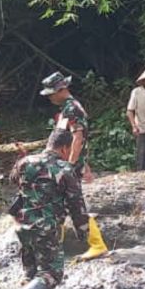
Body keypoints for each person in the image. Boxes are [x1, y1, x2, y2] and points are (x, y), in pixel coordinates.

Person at [6, 129, 90, 289]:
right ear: (64, 147)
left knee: (33, 272)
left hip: (23, 225)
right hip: (46, 226)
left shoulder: (24, 163)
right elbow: (76, 204)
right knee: (52, 273)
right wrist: (83, 231)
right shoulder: (64, 169)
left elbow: (12, 180)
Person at [40, 71, 107, 260]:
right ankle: (56, 248)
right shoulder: (67, 109)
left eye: (52, 93)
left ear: (62, 89)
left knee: (75, 205)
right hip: (63, 163)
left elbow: (78, 137)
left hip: (67, 166)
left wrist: (71, 165)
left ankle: (97, 244)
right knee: (58, 205)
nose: (50, 97)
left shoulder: (72, 108)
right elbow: (71, 139)